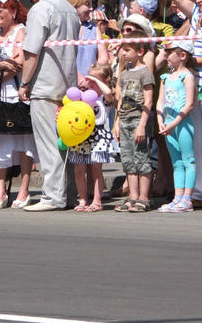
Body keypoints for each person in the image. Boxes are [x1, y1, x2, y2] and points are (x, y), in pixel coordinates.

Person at [18, 0, 80, 211]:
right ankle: (68, 194)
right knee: (66, 141)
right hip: (67, 82)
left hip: (45, 82)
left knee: (49, 142)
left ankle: (53, 196)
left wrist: (24, 82)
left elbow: (31, 51)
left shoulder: (40, 8)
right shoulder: (69, 8)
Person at [0, 0, 37, 209]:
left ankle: (24, 190)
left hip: (16, 92)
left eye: (1, 10)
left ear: (13, 11)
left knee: (23, 142)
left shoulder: (20, 31)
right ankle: (1, 190)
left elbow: (20, 62)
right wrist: (5, 63)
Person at [167, 0, 202, 206]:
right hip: (193, 83)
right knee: (196, 138)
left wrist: (190, 60)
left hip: (194, 75)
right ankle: (196, 192)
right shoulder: (197, 13)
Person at [113, 38, 154, 213]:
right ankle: (133, 196)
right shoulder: (125, 73)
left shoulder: (145, 72)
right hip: (125, 120)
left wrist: (142, 125)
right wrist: (117, 121)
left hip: (138, 119)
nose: (124, 53)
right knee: (128, 160)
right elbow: (120, 100)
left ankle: (144, 198)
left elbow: (149, 100)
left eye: (128, 50)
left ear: (140, 52)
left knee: (142, 159)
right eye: (123, 50)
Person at [70, 63, 117, 212]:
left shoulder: (103, 98)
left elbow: (109, 93)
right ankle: (83, 199)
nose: (90, 82)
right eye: (88, 77)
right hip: (82, 135)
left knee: (96, 170)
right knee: (79, 169)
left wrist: (97, 81)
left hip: (98, 134)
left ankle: (97, 201)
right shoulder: (81, 96)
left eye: (94, 79)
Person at [156, 41, 196, 213]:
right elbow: (160, 101)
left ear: (182, 55)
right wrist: (160, 119)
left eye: (169, 52)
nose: (166, 56)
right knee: (176, 162)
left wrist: (173, 123)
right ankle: (177, 197)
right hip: (168, 124)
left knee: (188, 160)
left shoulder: (187, 76)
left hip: (182, 124)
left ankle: (187, 198)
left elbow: (189, 105)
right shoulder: (166, 78)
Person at [65, 0, 109, 80]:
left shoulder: (94, 27)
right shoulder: (64, 28)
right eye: (87, 5)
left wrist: (91, 77)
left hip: (92, 83)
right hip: (70, 83)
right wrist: (78, 77)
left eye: (91, 4)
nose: (91, 8)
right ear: (74, 6)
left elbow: (103, 57)